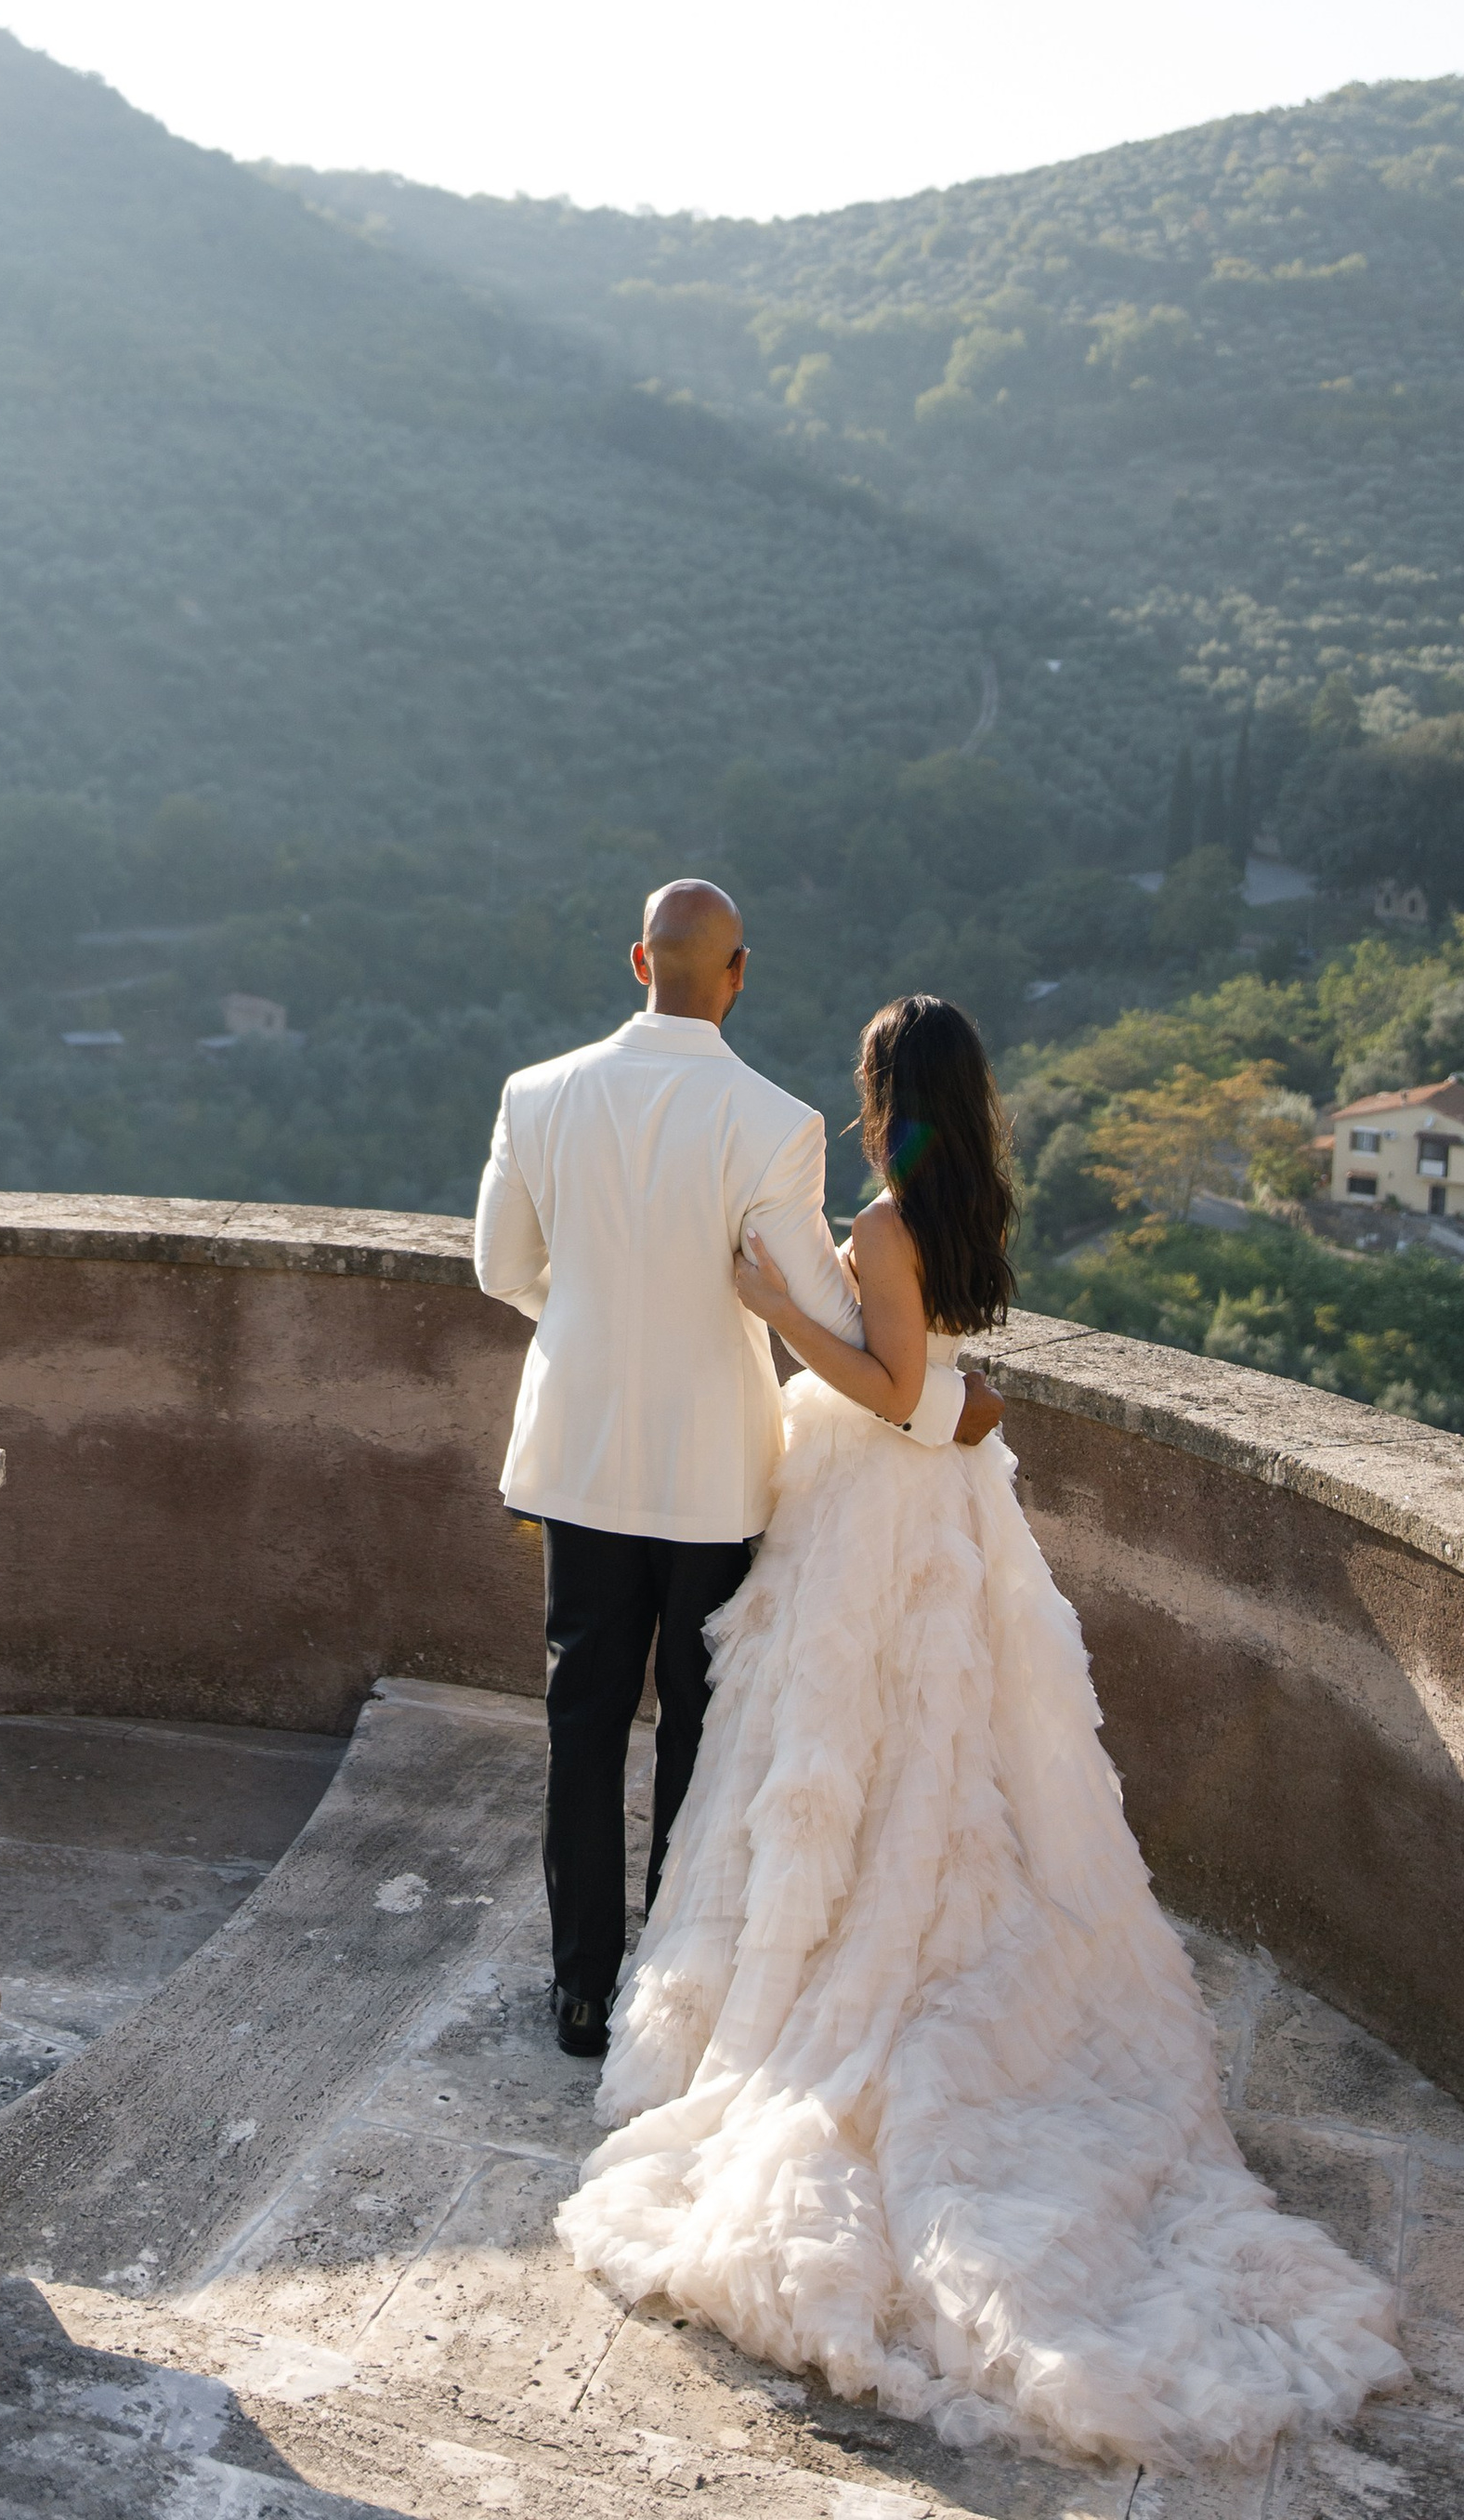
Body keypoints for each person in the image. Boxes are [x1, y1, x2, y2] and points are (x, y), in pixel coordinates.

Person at [554, 992, 1405, 2470]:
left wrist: (771, 1314)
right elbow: (947, 1386)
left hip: (877, 1511)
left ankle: (840, 1984)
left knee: (847, 1746)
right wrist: (918, 1377)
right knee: (950, 1762)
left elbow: (890, 1393)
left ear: (890, 1095)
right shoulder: (962, 1216)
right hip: (955, 1510)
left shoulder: (882, 1228)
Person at [473, 884, 1004, 2063]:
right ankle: (672, 1980)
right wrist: (946, 1397)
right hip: (718, 1464)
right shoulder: (772, 1118)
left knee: (582, 1715)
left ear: (636, 961)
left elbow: (498, 1267)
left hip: (581, 1453)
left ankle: (577, 1993)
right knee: (697, 1727)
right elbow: (829, 1312)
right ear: (738, 973)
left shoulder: (534, 1093)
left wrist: (597, 1325)